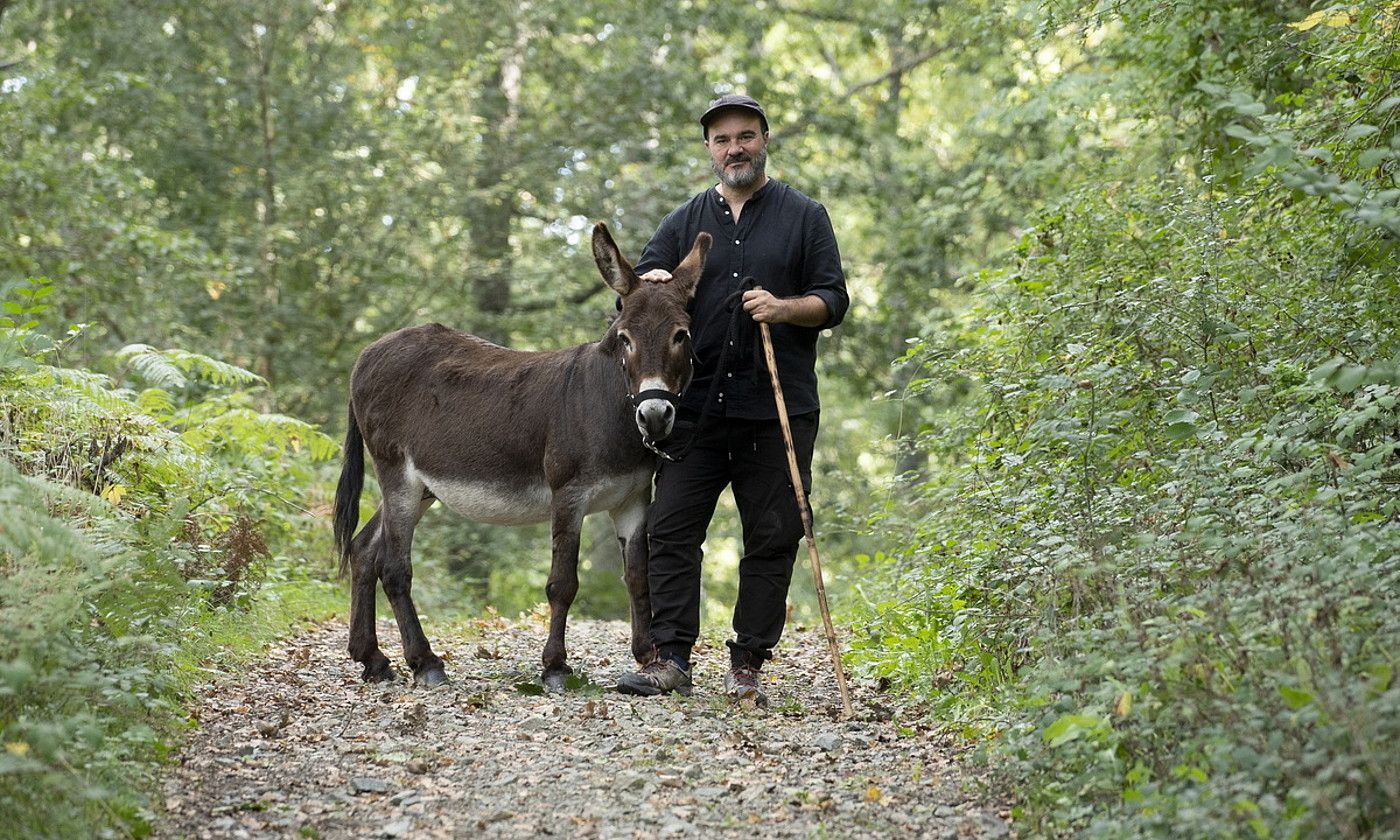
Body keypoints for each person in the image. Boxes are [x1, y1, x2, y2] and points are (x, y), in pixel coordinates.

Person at [615, 94, 849, 706]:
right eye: (722, 140)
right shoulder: (683, 219)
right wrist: (656, 281)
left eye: (745, 136)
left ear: (764, 139)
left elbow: (834, 299)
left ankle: (746, 663)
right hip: (695, 411)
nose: (734, 148)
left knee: (772, 535)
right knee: (670, 530)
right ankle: (670, 659)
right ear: (710, 150)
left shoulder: (805, 216)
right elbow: (640, 299)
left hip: (778, 406)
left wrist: (786, 308)